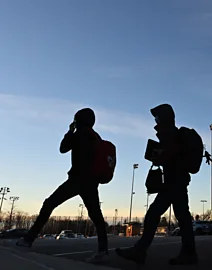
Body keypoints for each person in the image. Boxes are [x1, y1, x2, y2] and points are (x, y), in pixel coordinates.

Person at [16, 108, 109, 264]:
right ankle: (103, 250)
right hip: (91, 182)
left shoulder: (79, 133)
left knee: (49, 203)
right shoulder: (95, 136)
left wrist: (69, 131)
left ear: (78, 120)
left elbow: (63, 148)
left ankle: (28, 239)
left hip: (77, 179)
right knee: (97, 217)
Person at [116, 104, 197, 265]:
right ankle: (187, 252)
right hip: (175, 181)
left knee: (161, 215)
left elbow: (170, 155)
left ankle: (141, 251)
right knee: (179, 216)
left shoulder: (169, 133)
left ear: (164, 118)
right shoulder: (170, 133)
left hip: (174, 181)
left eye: (157, 117)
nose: (155, 120)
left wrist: (157, 156)